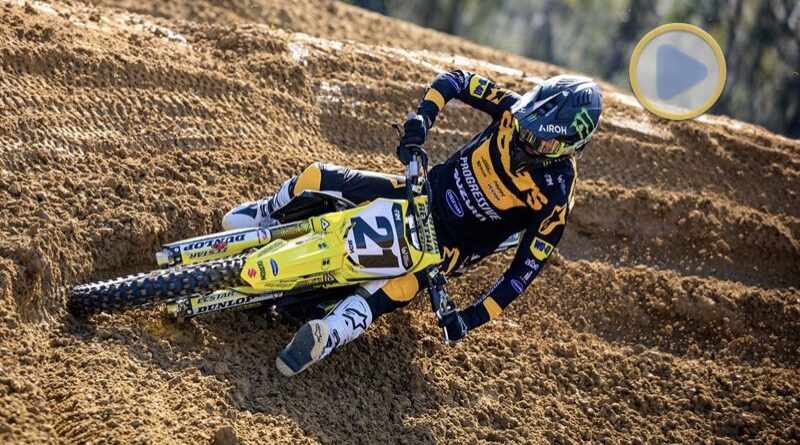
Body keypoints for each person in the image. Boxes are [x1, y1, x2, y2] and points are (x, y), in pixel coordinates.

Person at [222, 71, 603, 376]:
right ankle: (266, 212)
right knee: (317, 176)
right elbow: (454, 80)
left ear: (570, 147)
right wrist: (422, 118)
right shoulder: (510, 108)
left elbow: (519, 276)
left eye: (542, 143)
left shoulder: (557, 196)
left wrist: (469, 318)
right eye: (527, 128)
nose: (528, 141)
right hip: (418, 193)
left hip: (447, 248)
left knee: (396, 287)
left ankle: (328, 334)